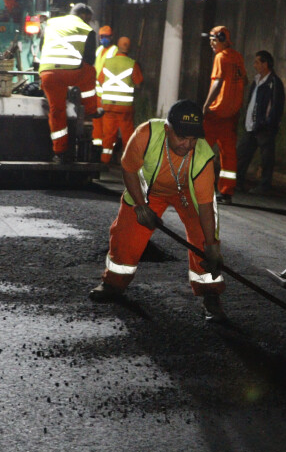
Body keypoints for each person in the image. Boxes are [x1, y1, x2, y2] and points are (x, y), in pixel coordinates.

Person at [88, 99, 228, 323]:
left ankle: (210, 294)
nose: (187, 145)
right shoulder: (146, 135)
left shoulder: (203, 157)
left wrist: (211, 245)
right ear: (167, 129)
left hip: (186, 193)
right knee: (127, 232)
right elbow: (129, 168)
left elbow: (205, 206)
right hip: (149, 191)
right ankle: (113, 283)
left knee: (203, 237)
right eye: (181, 137)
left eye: (193, 139)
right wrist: (140, 205)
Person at [38, 3, 103, 163]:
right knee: (90, 71)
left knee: (57, 110)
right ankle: (90, 109)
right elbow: (90, 59)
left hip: (48, 73)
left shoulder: (51, 23)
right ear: (85, 16)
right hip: (71, 73)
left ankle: (59, 152)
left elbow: (41, 47)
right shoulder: (87, 29)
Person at [201, 25, 247, 204]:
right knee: (228, 155)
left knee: (201, 150)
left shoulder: (221, 57)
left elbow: (217, 83)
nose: (211, 44)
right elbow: (245, 80)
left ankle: (195, 185)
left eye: (213, 40)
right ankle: (227, 192)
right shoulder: (238, 57)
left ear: (222, 39)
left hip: (216, 113)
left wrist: (206, 106)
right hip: (232, 115)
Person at [236, 50, 285, 194]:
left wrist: (268, 123)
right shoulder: (257, 80)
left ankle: (264, 186)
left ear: (265, 64)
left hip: (264, 128)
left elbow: (276, 106)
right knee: (242, 155)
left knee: (266, 158)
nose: (254, 65)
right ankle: (237, 182)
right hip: (251, 126)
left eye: (257, 62)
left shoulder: (274, 83)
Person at [98, 36, 144, 164]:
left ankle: (104, 161)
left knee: (108, 135)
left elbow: (100, 81)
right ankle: (128, 163)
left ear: (118, 46)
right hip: (125, 108)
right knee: (127, 136)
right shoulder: (132, 63)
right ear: (129, 48)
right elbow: (138, 83)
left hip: (108, 106)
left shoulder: (108, 62)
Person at [91, 25, 117, 150]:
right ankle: (97, 144)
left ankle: (108, 146)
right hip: (97, 91)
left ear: (111, 37)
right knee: (97, 118)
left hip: (107, 92)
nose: (104, 39)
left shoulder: (114, 50)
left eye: (106, 36)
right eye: (102, 36)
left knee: (108, 121)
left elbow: (110, 69)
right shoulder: (99, 50)